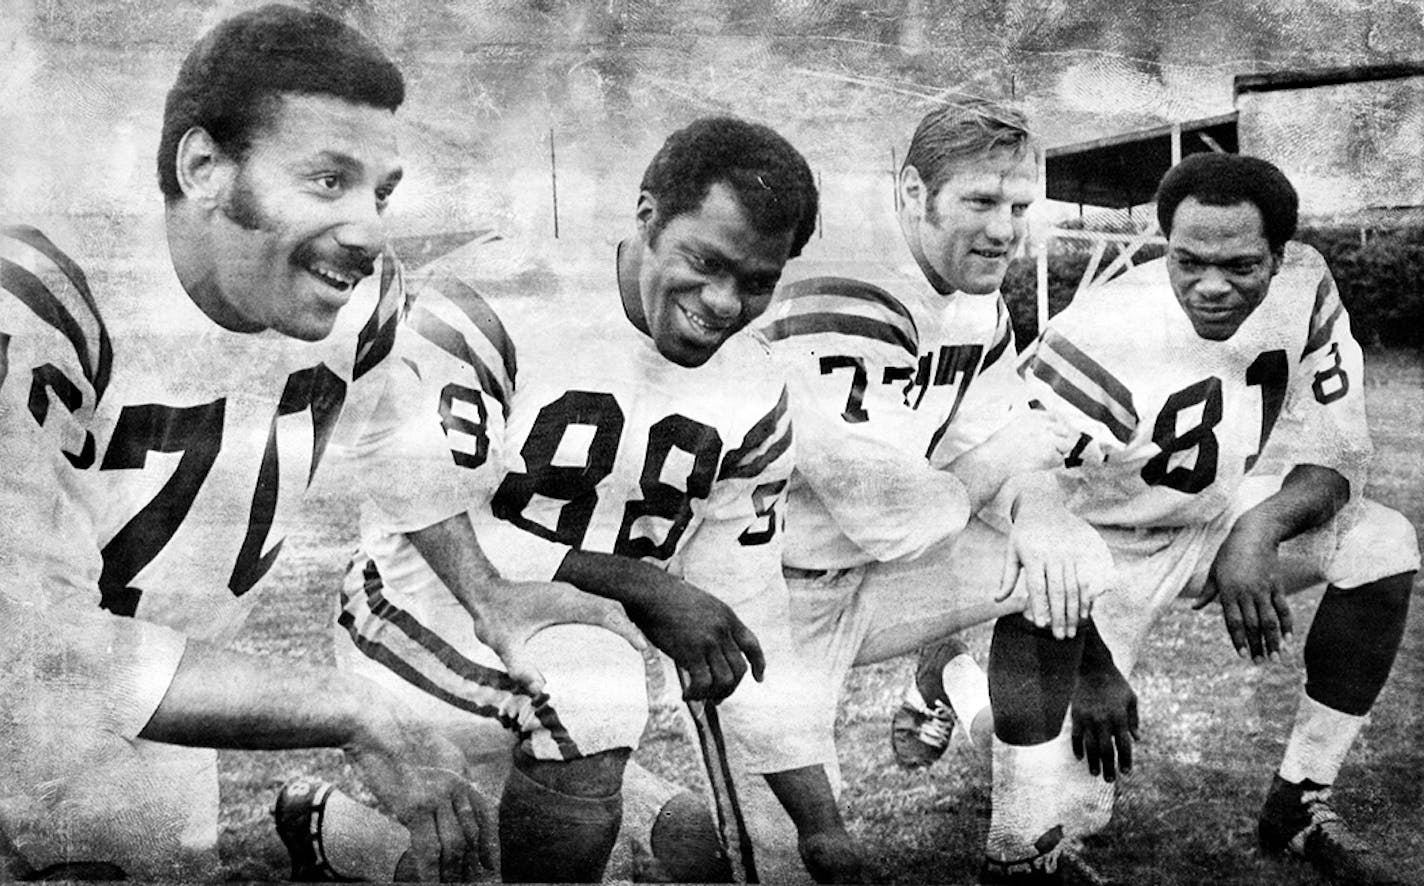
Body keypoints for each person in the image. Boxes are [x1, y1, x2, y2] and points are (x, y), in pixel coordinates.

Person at [0, 6, 633, 879]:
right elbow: (26, 651)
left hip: (154, 700)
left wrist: (488, 593)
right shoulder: (39, 301)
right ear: (204, 167)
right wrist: (349, 708)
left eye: (381, 191)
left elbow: (395, 442)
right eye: (328, 181)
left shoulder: (356, 302)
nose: (371, 228)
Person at [315, 116, 862, 883]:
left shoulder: (756, 387)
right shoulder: (505, 298)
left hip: (566, 654)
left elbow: (744, 605)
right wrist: (639, 581)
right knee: (596, 696)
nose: (724, 302)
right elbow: (438, 515)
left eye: (758, 282)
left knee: (690, 847)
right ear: (647, 216)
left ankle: (324, 829)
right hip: (417, 608)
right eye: (706, 261)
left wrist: (822, 828)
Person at [972, 152, 1420, 883]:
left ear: (1280, 255)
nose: (1211, 286)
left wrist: (1261, 528)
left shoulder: (1305, 284)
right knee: (1075, 806)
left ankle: (1301, 799)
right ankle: (962, 698)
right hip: (1094, 546)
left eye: (1240, 265)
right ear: (1164, 248)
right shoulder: (1106, 328)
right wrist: (1093, 665)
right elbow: (1017, 501)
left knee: (1382, 542)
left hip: (1214, 514)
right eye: (1188, 262)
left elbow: (1340, 454)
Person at [758, 96, 1128, 878]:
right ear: (913, 195)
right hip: (767, 597)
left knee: (1068, 561)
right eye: (982, 201)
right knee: (772, 860)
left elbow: (997, 452)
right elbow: (890, 518)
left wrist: (1044, 514)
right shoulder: (852, 290)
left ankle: (1020, 845)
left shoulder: (977, 301)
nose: (1005, 228)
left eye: (1020, 205)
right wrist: (1019, 454)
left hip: (870, 582)